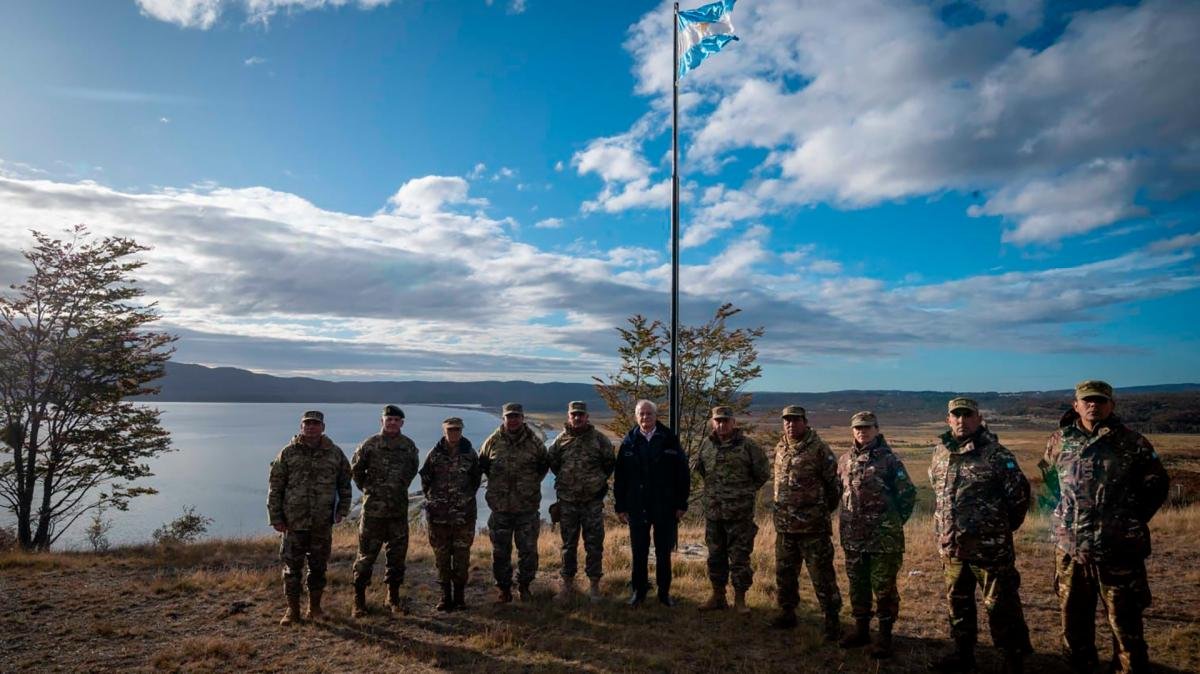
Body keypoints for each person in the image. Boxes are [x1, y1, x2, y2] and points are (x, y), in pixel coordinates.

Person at [1039, 381, 1169, 674]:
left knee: (1125, 625)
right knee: (1073, 622)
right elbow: (1049, 482)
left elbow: (1156, 485)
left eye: (1100, 400)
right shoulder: (1058, 440)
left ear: (1111, 405)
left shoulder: (1132, 442)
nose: (1093, 405)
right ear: (1076, 405)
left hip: (1119, 550)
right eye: (1087, 400)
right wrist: (1063, 521)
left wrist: (1128, 521)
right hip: (1071, 550)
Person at [929, 398, 1033, 673]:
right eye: (956, 415)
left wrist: (996, 532)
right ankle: (963, 654)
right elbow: (938, 490)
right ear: (948, 419)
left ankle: (1012, 659)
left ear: (979, 418)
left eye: (968, 415)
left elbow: (1019, 499)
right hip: (952, 547)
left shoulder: (997, 455)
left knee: (1001, 607)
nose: (962, 420)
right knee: (958, 603)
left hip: (990, 550)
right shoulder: (940, 452)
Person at [837, 411, 916, 659]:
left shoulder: (889, 460)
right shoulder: (844, 460)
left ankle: (884, 636)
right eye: (858, 428)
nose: (862, 431)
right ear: (852, 431)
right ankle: (861, 630)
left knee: (884, 588)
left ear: (876, 429)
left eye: (867, 427)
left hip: (883, 540)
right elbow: (838, 492)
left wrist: (891, 523)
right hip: (853, 538)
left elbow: (907, 494)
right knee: (857, 585)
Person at [267, 410, 352, 626]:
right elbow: (275, 487)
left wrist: (342, 510)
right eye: (307, 424)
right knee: (292, 569)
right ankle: (292, 610)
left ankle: (314, 608)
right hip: (294, 522)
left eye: (315, 424)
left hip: (322, 522)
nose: (311, 427)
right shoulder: (288, 453)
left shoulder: (335, 453)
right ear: (301, 427)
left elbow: (344, 483)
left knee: (318, 567)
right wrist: (275, 517)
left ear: (323, 427)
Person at [769, 405, 843, 640]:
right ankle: (787, 613)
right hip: (785, 526)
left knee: (822, 575)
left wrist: (819, 511)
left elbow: (834, 488)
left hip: (813, 528)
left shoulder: (820, 449)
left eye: (795, 420)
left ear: (805, 422)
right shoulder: (781, 447)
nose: (790, 424)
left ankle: (832, 619)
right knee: (785, 573)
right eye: (787, 420)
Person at [692, 405, 770, 614]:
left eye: (725, 421)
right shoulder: (707, 445)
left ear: (733, 423)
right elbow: (701, 470)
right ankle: (718, 596)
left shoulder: (748, 446)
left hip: (739, 515)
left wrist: (743, 492)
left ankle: (740, 599)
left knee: (740, 558)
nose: (721, 425)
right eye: (718, 421)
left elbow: (762, 473)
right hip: (714, 514)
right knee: (715, 557)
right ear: (712, 422)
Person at [613, 399, 691, 607]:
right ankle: (638, 592)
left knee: (663, 551)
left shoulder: (669, 440)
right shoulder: (629, 442)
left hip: (665, 505)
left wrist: (681, 504)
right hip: (637, 505)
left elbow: (683, 474)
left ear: (656, 416)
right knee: (639, 551)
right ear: (636, 416)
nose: (645, 417)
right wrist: (620, 506)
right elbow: (620, 477)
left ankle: (664, 594)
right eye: (642, 413)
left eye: (649, 413)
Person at [349, 404, 420, 617]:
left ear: (402, 423)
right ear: (382, 421)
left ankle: (393, 598)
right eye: (389, 419)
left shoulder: (408, 446)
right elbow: (356, 472)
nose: (392, 423)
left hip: (398, 511)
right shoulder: (369, 445)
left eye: (396, 420)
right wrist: (371, 490)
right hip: (373, 512)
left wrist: (397, 488)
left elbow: (411, 471)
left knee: (397, 557)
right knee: (365, 557)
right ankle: (359, 601)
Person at [478, 402, 550, 603]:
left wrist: (528, 486)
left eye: (516, 416)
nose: (513, 420)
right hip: (500, 508)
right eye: (509, 416)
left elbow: (543, 466)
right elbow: (483, 465)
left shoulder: (534, 442)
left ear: (522, 418)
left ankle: (524, 586)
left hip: (527, 508)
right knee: (500, 552)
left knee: (528, 552)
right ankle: (503, 588)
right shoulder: (492, 441)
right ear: (504, 418)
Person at [547, 401, 616, 603]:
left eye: (580, 414)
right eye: (573, 414)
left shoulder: (600, 440)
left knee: (594, 545)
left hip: (592, 502)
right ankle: (567, 586)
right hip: (568, 502)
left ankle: (594, 586)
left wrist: (595, 484)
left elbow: (609, 464)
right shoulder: (560, 441)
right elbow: (553, 464)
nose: (577, 418)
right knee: (568, 545)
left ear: (587, 416)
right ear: (569, 416)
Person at [419, 416, 483, 611]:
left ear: (461, 431)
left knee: (462, 558)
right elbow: (425, 480)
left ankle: (460, 598)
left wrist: (463, 500)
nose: (453, 433)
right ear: (444, 431)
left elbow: (476, 480)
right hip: (439, 518)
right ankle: (445, 597)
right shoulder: (434, 454)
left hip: (463, 517)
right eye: (450, 430)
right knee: (442, 558)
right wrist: (437, 501)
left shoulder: (470, 454)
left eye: (457, 430)